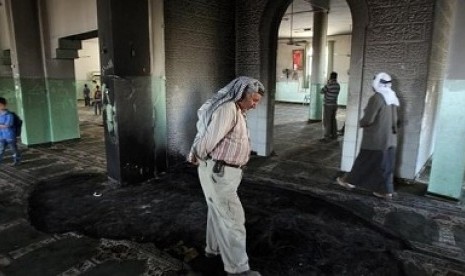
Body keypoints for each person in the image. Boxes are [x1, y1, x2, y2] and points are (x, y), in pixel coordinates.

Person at [188, 76, 264, 276]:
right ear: (241, 95)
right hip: (219, 173)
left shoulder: (237, 110)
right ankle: (238, 270)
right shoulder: (228, 109)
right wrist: (201, 158)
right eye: (254, 100)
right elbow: (208, 140)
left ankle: (212, 250)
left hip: (223, 172)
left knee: (217, 212)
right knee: (233, 221)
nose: (255, 105)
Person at [337, 72, 400, 200]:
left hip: (376, 140)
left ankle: (349, 182)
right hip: (390, 140)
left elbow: (369, 119)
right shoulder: (392, 97)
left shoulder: (377, 98)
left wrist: (361, 123)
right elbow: (396, 120)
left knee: (364, 161)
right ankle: (386, 191)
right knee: (386, 166)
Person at [320, 72, 340, 141]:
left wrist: (327, 83)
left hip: (328, 105)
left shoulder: (329, 85)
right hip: (335, 105)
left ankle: (327, 137)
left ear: (330, 77)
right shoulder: (338, 85)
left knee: (327, 121)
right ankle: (334, 135)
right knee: (333, 120)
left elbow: (321, 91)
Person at [0, 97, 21, 165]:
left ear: (4, 105)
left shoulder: (9, 115)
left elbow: (8, 125)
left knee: (14, 149)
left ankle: (17, 161)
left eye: (0, 105)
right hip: (1, 135)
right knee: (1, 149)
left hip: (10, 135)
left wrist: (2, 125)